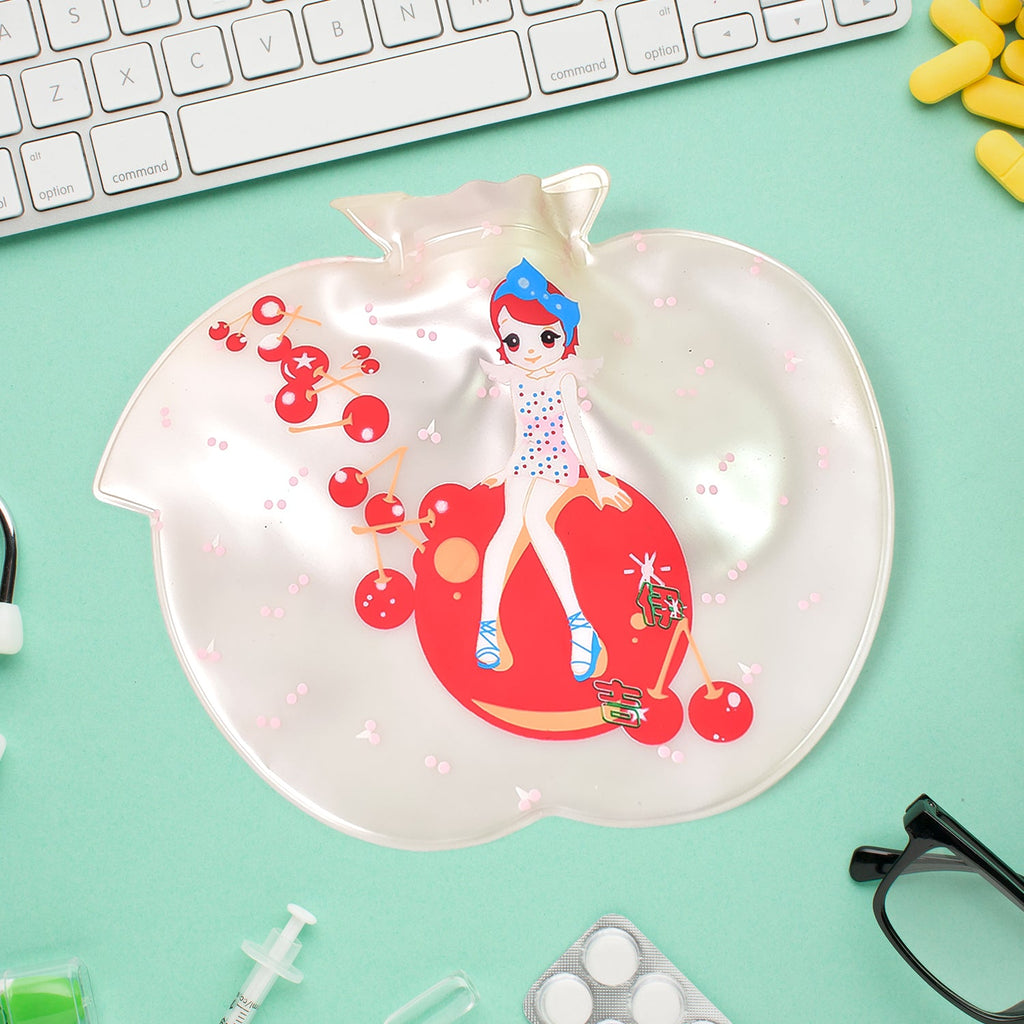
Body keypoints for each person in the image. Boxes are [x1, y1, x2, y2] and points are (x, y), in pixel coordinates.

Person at [476, 259, 632, 681]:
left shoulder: (562, 378)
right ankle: (487, 626)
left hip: (558, 459)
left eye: (545, 337)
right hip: (525, 459)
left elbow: (577, 429)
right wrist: (506, 468)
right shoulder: (517, 380)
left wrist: (596, 479)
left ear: (563, 335)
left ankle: (580, 626)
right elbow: (520, 430)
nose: (529, 350)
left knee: (534, 520)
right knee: (507, 526)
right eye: (513, 339)